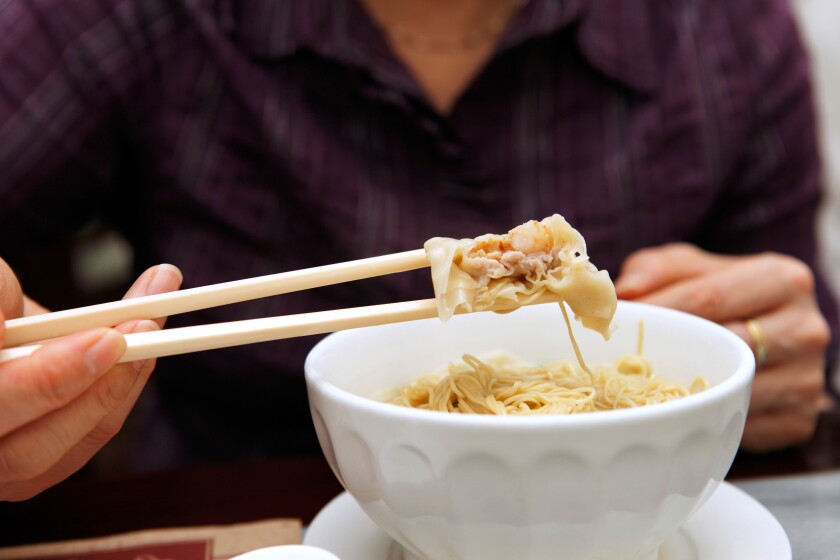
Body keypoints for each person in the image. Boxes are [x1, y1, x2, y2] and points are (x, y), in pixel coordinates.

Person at [0, 0, 835, 499]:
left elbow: (799, 330)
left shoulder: (721, 28)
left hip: (621, 513)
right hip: (254, 514)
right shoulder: (134, 19)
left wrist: (771, 355)